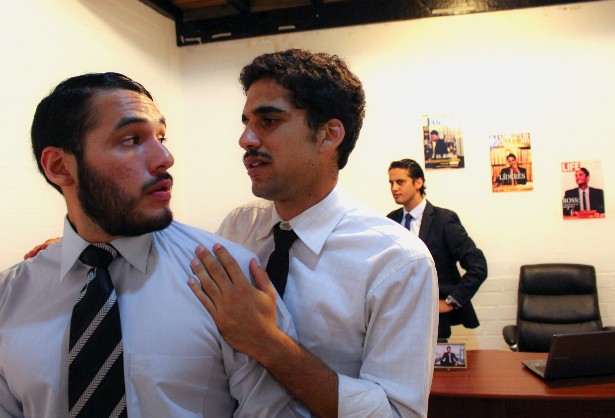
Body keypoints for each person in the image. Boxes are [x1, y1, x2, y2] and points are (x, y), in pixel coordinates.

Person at [0, 72, 305, 418]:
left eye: (161, 137)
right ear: (60, 167)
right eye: (131, 140)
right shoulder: (10, 298)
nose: (165, 157)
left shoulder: (229, 279)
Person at [187, 49, 439, 418]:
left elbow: (395, 414)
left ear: (328, 135)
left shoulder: (397, 262)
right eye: (246, 123)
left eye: (269, 120)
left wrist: (267, 342)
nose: (245, 139)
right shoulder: (238, 229)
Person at [387, 158, 487, 342]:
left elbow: (478, 266)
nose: (394, 188)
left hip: (434, 319)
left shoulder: (444, 220)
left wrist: (450, 302)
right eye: (391, 183)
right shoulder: (391, 221)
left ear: (418, 182)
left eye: (400, 182)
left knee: (435, 361)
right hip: (399, 317)